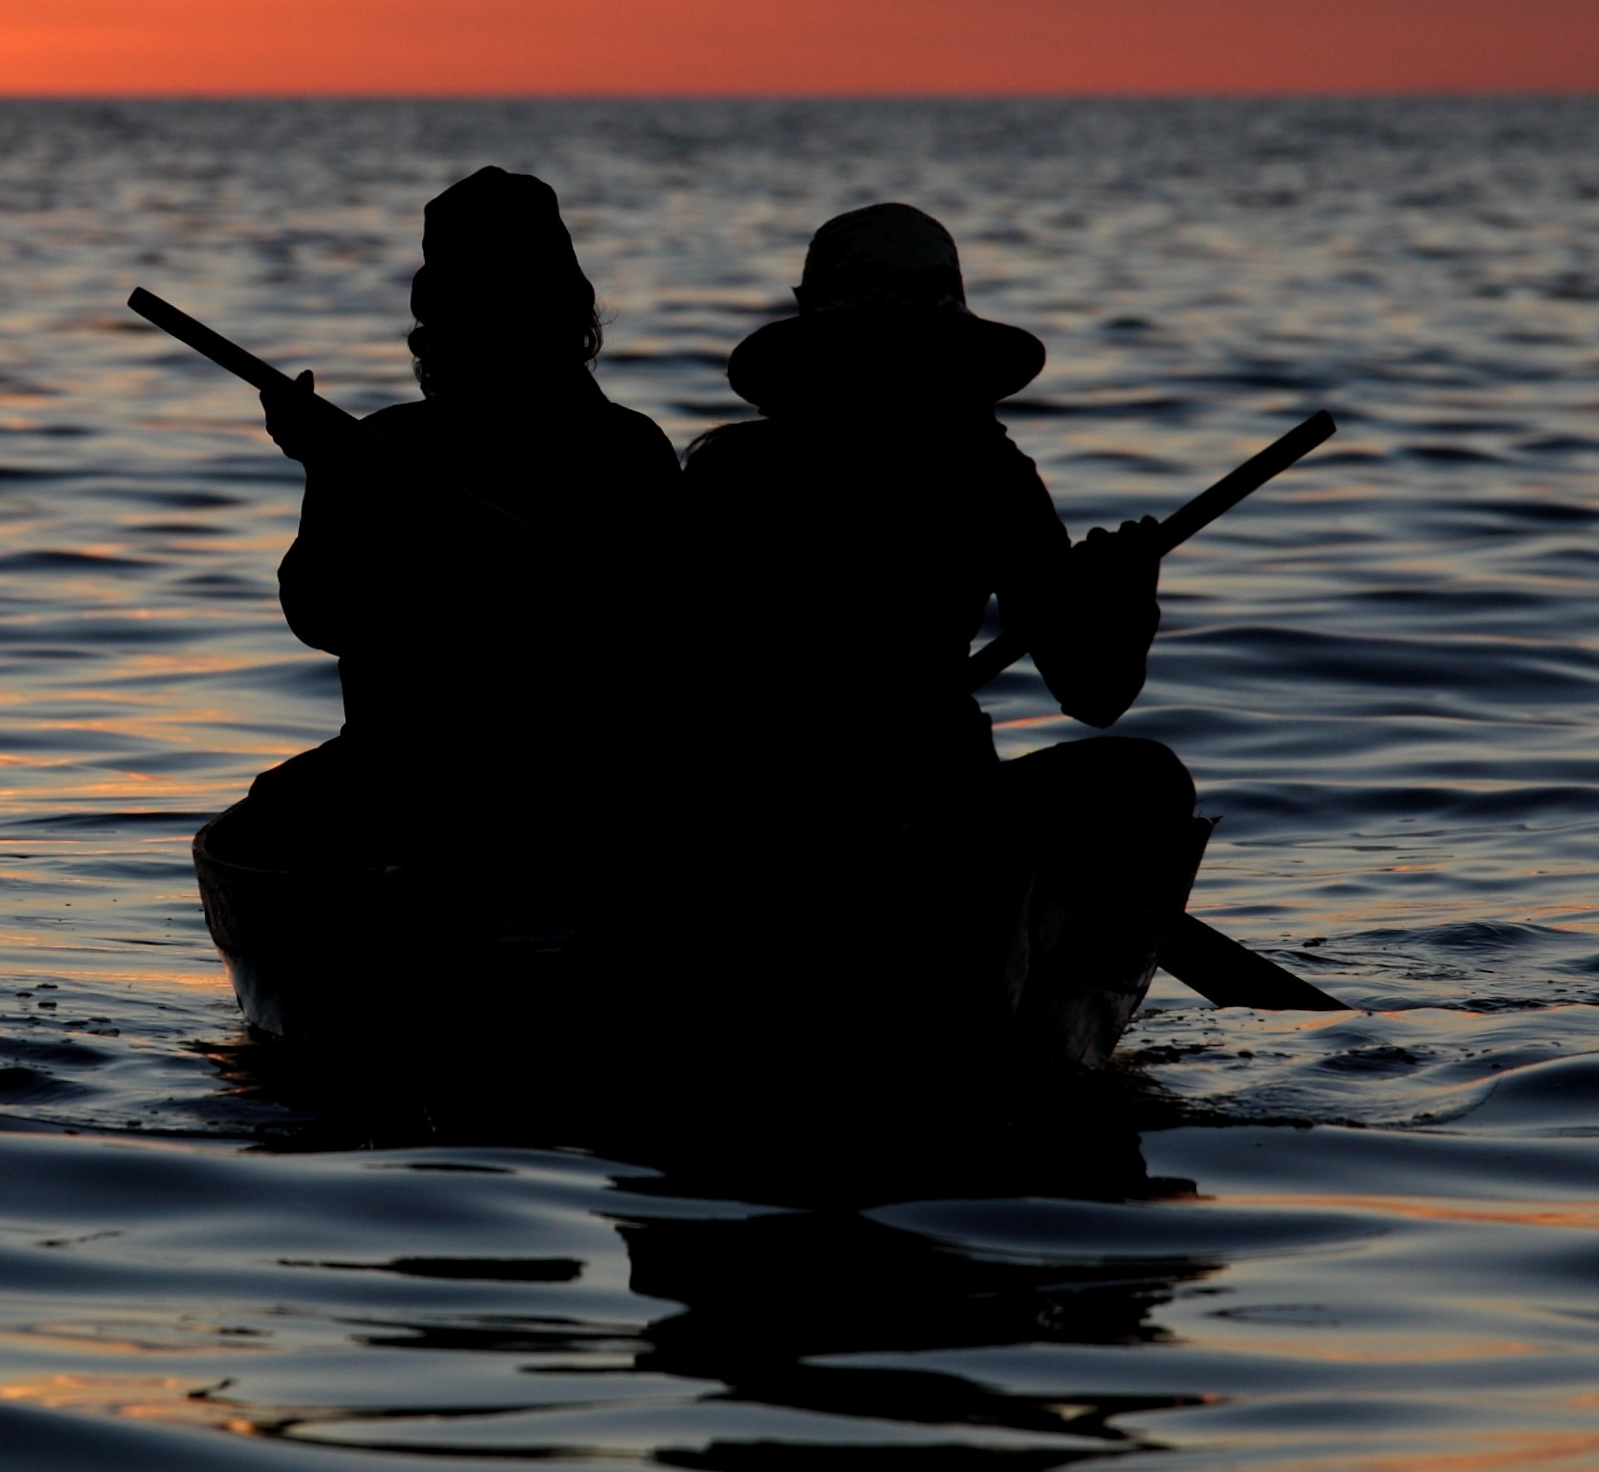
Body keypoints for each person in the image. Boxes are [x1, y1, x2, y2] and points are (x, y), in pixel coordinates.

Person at [680, 203, 1199, 1066]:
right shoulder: (972, 468)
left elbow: (1091, 687)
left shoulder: (736, 472)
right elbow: (1098, 690)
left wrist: (1120, 596)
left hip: (872, 821)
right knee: (1143, 781)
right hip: (825, 825)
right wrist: (1124, 604)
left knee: (1145, 781)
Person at [215, 167, 680, 887]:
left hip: (490, 787)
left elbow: (321, 613)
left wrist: (331, 468)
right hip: (489, 787)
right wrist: (327, 467)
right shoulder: (627, 443)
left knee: (274, 821)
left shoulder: (617, 451)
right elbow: (323, 613)